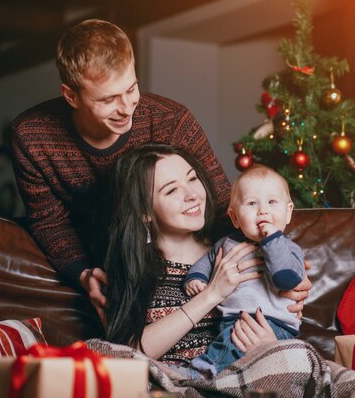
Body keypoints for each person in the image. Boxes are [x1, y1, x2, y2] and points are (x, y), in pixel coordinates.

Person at [10, 19, 232, 321]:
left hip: (191, 267)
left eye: (131, 88)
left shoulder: (171, 120)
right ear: (70, 95)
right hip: (112, 270)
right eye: (108, 99)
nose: (127, 107)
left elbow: (222, 202)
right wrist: (84, 273)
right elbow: (49, 223)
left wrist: (270, 267)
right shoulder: (32, 137)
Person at [104, 143, 275, 374]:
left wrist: (271, 347)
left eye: (193, 179)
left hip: (247, 373)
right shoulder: (136, 266)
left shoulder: (233, 245)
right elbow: (126, 353)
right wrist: (211, 294)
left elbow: (281, 303)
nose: (193, 195)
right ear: (144, 211)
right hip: (174, 381)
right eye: (171, 190)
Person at [184, 164, 304, 375]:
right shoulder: (226, 243)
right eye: (251, 203)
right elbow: (208, 260)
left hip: (274, 324)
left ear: (288, 212)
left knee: (231, 345)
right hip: (232, 319)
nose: (263, 210)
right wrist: (196, 276)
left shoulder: (287, 248)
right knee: (230, 346)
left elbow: (285, 279)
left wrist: (272, 240)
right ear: (235, 218)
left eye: (272, 202)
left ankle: (202, 371)